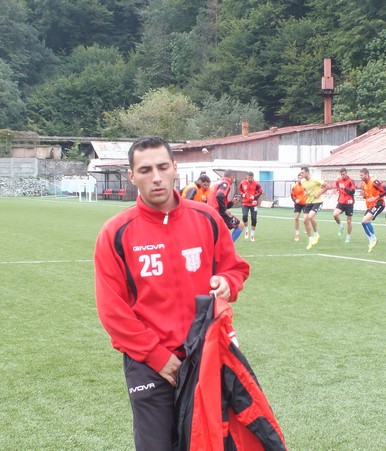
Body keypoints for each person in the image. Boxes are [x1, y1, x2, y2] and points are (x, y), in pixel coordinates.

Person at [93, 136, 251, 449]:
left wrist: (227, 283)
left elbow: (236, 268)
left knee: (210, 443)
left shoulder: (206, 218)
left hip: (205, 355)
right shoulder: (116, 233)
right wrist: (157, 356)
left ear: (175, 168)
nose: (156, 177)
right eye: (145, 170)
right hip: (149, 363)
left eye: (163, 167)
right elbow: (112, 311)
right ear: (132, 176)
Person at [208, 170, 243, 242]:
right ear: (232, 177)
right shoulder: (226, 183)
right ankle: (228, 246)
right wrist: (225, 210)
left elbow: (219, 200)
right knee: (240, 225)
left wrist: (231, 202)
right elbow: (219, 196)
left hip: (211, 211)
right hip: (218, 212)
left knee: (219, 232)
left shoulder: (219, 182)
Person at [300, 166, 329, 249]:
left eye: (302, 173)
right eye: (301, 173)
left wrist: (319, 193)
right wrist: (306, 193)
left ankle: (316, 233)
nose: (301, 174)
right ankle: (311, 239)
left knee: (310, 217)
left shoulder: (315, 179)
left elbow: (327, 186)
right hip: (309, 202)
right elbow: (306, 189)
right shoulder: (302, 181)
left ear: (307, 172)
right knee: (305, 220)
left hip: (318, 201)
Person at [360, 168, 386, 252]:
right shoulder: (364, 184)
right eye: (360, 175)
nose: (360, 177)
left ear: (366, 174)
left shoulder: (374, 182)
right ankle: (371, 240)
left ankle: (373, 239)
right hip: (370, 206)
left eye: (362, 175)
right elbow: (369, 195)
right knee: (364, 222)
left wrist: (375, 198)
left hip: (379, 204)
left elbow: (385, 190)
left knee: (365, 220)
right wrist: (364, 195)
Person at [332, 168, 356, 243]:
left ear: (346, 173)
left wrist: (344, 188)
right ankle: (341, 225)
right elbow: (337, 186)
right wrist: (338, 190)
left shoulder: (351, 181)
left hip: (349, 203)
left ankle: (348, 236)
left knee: (349, 221)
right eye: (341, 174)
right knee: (335, 214)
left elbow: (352, 192)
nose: (342, 176)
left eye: (343, 174)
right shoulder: (338, 180)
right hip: (341, 202)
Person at [239, 171, 263, 242]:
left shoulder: (256, 184)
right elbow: (240, 190)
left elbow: (260, 191)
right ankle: (246, 231)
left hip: (253, 203)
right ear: (247, 177)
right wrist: (242, 194)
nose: (250, 179)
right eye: (249, 177)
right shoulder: (242, 183)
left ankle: (252, 235)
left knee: (254, 218)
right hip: (245, 203)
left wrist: (255, 196)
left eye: (252, 178)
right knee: (244, 216)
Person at [291, 173, 309, 241]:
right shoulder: (295, 186)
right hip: (298, 204)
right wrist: (295, 200)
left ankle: (308, 231)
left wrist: (308, 193)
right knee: (296, 218)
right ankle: (297, 234)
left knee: (305, 219)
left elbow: (311, 192)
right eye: (298, 178)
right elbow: (292, 195)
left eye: (301, 178)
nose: (299, 179)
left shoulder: (306, 186)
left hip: (306, 203)